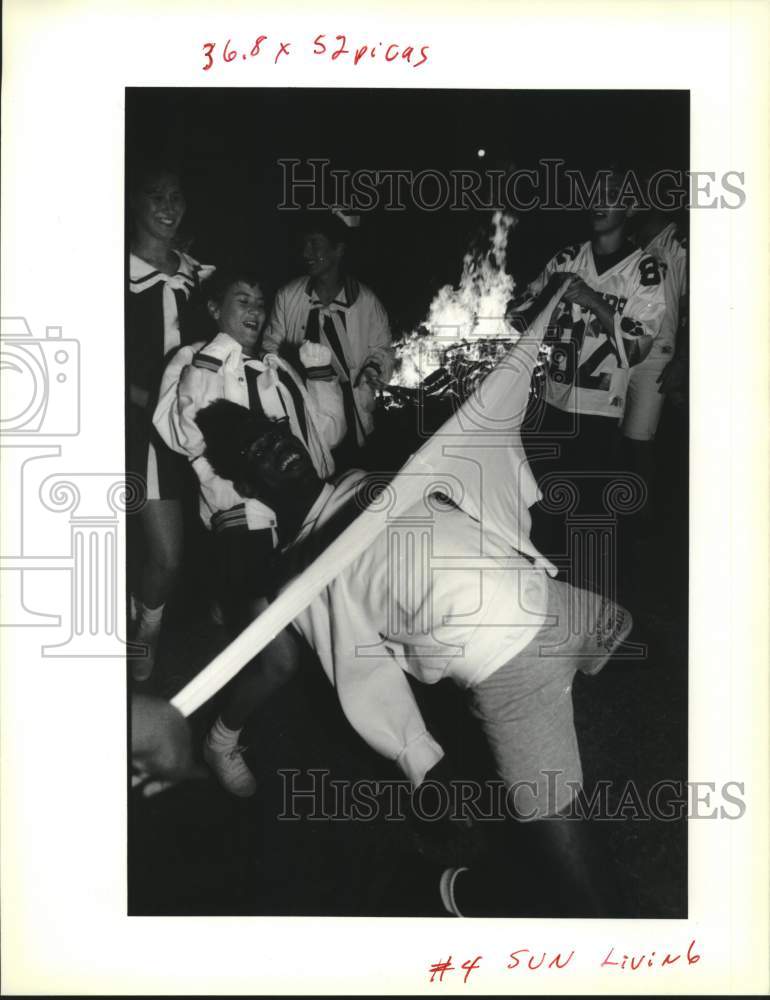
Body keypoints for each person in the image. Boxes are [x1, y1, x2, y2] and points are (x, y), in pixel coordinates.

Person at [194, 398, 634, 917]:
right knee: (589, 896)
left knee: (680, 670)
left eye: (276, 434)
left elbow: (465, 495)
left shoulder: (363, 478)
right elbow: (358, 669)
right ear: (247, 487)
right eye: (258, 452)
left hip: (561, 604)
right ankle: (479, 895)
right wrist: (421, 761)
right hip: (510, 673)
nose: (279, 447)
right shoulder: (301, 574)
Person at [153, 267, 345, 796]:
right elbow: (179, 433)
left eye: (260, 302)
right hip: (242, 525)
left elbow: (325, 442)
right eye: (243, 300)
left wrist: (322, 374)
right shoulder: (192, 359)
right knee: (280, 659)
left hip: (300, 522)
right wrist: (216, 351)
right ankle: (221, 739)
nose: (256, 312)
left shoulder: (279, 369)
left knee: (334, 642)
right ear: (215, 309)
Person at [126, 160, 214, 682]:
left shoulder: (197, 275)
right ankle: (147, 633)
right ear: (134, 201)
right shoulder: (112, 272)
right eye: (156, 195)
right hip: (138, 430)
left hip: (193, 429)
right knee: (167, 556)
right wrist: (150, 402)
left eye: (176, 196)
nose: (168, 207)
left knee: (200, 547)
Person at [261, 212, 394, 466]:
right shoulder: (288, 297)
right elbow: (270, 347)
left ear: (338, 250)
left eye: (315, 244)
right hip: (304, 410)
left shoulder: (366, 302)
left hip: (352, 413)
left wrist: (373, 369)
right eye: (304, 245)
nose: (306, 253)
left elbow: (383, 350)